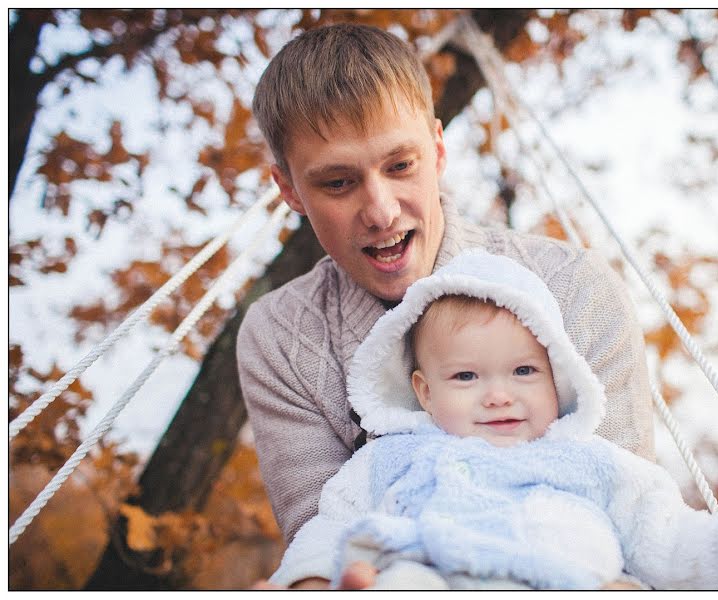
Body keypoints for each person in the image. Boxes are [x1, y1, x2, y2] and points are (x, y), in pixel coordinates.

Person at [238, 23, 653, 589]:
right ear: (289, 192)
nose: (381, 211)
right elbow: (324, 535)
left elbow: (631, 513)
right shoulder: (281, 334)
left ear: (437, 150)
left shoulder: (573, 286)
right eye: (338, 183)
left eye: (401, 165)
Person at [267, 250, 718, 590]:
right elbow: (329, 524)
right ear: (422, 391)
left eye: (523, 372)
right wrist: (309, 580)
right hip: (432, 572)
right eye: (466, 378)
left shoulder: (593, 464)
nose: (498, 397)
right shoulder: (392, 458)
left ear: (558, 378)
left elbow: (674, 540)